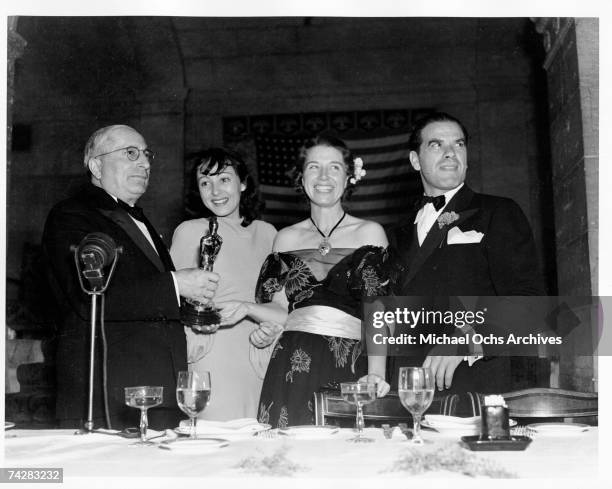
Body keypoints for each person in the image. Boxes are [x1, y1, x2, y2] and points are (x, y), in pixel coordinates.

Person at [42, 124, 219, 430]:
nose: (145, 163)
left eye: (147, 154)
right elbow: (88, 298)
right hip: (109, 398)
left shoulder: (139, 219)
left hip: (155, 392)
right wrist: (177, 284)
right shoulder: (72, 214)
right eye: (130, 153)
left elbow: (145, 298)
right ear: (97, 165)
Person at [221, 134, 391, 428]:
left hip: (350, 365)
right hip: (291, 364)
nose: (323, 176)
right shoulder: (286, 238)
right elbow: (280, 309)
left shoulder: (370, 233)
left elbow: (378, 314)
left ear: (349, 176)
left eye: (334, 167)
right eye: (314, 167)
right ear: (301, 177)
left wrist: (376, 373)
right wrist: (246, 308)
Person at [387, 112, 545, 401]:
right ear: (414, 160)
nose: (450, 153)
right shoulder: (396, 232)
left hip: (478, 386)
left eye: (458, 144)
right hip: (411, 388)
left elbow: (528, 301)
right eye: (436, 145)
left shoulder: (498, 212)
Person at [170, 148, 277, 420]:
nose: (215, 191)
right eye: (205, 182)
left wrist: (269, 329)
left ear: (243, 182)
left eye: (224, 179)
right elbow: (173, 303)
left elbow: (279, 305)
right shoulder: (190, 232)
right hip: (213, 356)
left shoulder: (269, 234)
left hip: (260, 355)